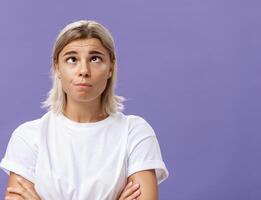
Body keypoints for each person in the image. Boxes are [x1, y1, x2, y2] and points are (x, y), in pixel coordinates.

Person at [0, 20, 169, 200]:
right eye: (72, 59)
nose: (84, 70)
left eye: (95, 58)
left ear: (111, 67)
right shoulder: (28, 136)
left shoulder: (135, 132)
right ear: (57, 67)